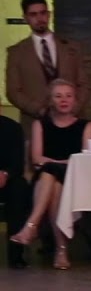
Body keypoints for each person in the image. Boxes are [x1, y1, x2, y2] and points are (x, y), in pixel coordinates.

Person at [8, 80, 91, 269]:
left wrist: (55, 163)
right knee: (53, 182)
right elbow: (37, 158)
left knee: (50, 172)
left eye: (68, 96)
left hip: (75, 178)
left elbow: (85, 159)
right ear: (50, 101)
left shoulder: (86, 126)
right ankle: (61, 250)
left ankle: (31, 226)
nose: (64, 100)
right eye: (58, 96)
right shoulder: (40, 125)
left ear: (75, 100)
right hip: (45, 181)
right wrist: (64, 162)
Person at [5, 0, 91, 135]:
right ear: (25, 18)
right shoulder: (17, 52)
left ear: (49, 14)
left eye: (43, 13)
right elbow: (13, 91)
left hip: (73, 122)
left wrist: (73, 108)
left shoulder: (72, 48)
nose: (40, 18)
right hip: (35, 123)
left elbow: (84, 83)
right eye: (33, 14)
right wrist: (39, 110)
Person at [1, 114, 30, 268]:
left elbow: (17, 164)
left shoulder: (12, 127)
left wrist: (6, 174)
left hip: (6, 180)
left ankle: (16, 254)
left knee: (19, 187)